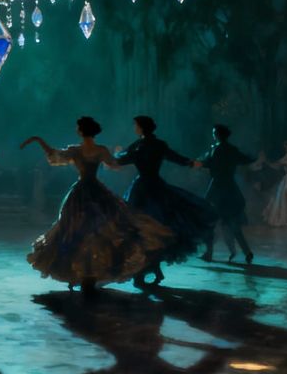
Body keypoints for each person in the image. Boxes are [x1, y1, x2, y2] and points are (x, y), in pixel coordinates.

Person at [23, 118, 175, 293]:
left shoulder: (76, 150)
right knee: (99, 230)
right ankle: (89, 273)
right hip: (95, 190)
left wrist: (39, 141)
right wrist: (124, 155)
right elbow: (115, 165)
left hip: (81, 192)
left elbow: (54, 156)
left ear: (81, 131)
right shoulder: (99, 149)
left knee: (75, 230)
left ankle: (82, 272)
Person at [115, 115, 217, 285]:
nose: (134, 128)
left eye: (136, 125)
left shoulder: (139, 146)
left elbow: (121, 160)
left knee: (140, 230)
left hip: (141, 189)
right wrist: (192, 163)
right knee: (157, 229)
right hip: (156, 186)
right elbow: (177, 158)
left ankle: (146, 271)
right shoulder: (158, 145)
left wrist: (112, 154)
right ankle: (152, 269)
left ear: (141, 128)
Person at [196, 124, 259, 263]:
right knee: (233, 224)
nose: (213, 135)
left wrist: (198, 163)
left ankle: (209, 253)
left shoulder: (216, 150)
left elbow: (208, 163)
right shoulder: (232, 150)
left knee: (210, 221)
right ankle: (247, 251)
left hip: (217, 187)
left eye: (214, 133)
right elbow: (245, 159)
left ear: (218, 135)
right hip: (230, 188)